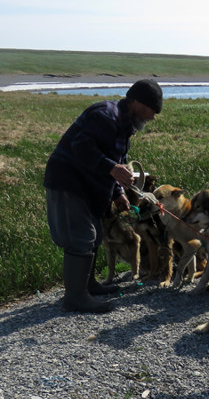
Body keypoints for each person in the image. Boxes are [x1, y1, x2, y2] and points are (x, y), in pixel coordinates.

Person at [43, 79, 163, 313]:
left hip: (87, 186)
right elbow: (82, 148)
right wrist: (112, 169)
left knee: (95, 235)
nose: (152, 117)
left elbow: (115, 161)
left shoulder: (124, 125)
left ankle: (88, 286)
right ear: (137, 102)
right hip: (69, 182)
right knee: (82, 237)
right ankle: (75, 298)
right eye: (152, 110)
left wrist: (118, 192)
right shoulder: (105, 116)